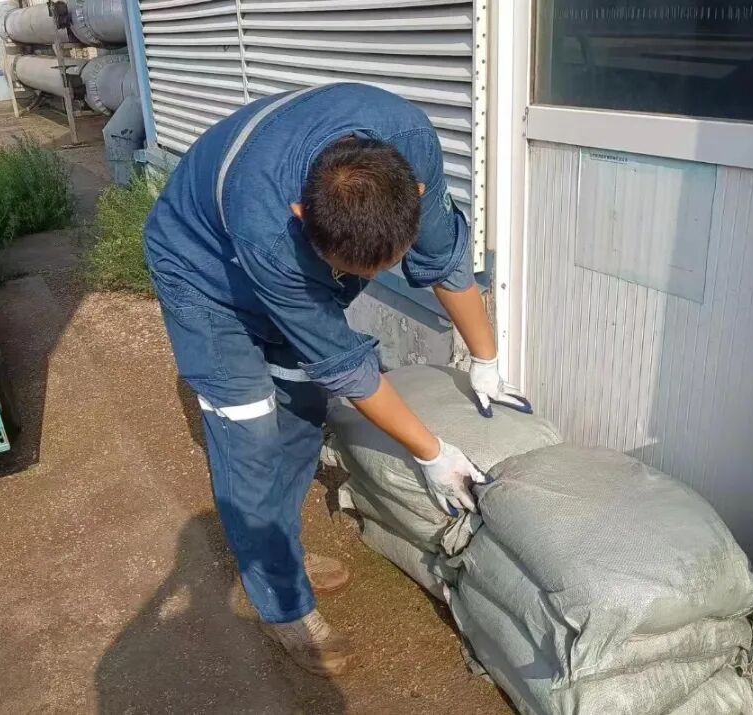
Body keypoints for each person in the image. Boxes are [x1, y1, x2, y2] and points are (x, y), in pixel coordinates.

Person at [143, 83, 530, 677]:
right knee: (250, 432)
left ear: (416, 194)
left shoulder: (409, 147)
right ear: (304, 218)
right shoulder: (269, 225)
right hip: (204, 276)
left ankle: (283, 550)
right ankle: (283, 604)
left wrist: (486, 358)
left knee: (301, 409)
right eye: (344, 271)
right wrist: (432, 453)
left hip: (289, 267)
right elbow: (347, 366)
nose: (355, 283)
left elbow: (445, 260)